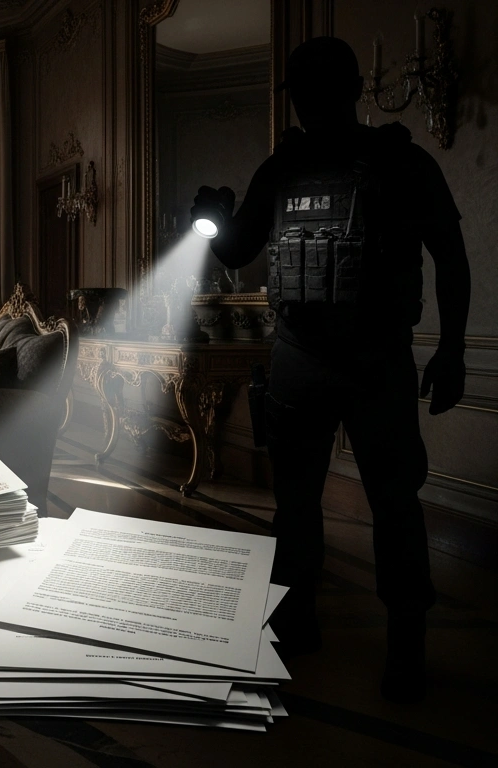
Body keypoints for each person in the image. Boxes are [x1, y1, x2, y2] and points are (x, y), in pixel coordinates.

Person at [191, 36, 470, 703]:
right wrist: (213, 216)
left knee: (374, 504)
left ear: (336, 93)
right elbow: (237, 245)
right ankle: (311, 623)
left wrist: (453, 350)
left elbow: (451, 257)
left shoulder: (382, 163)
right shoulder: (299, 170)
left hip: (362, 359)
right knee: (317, 503)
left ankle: (382, 639)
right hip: (316, 357)